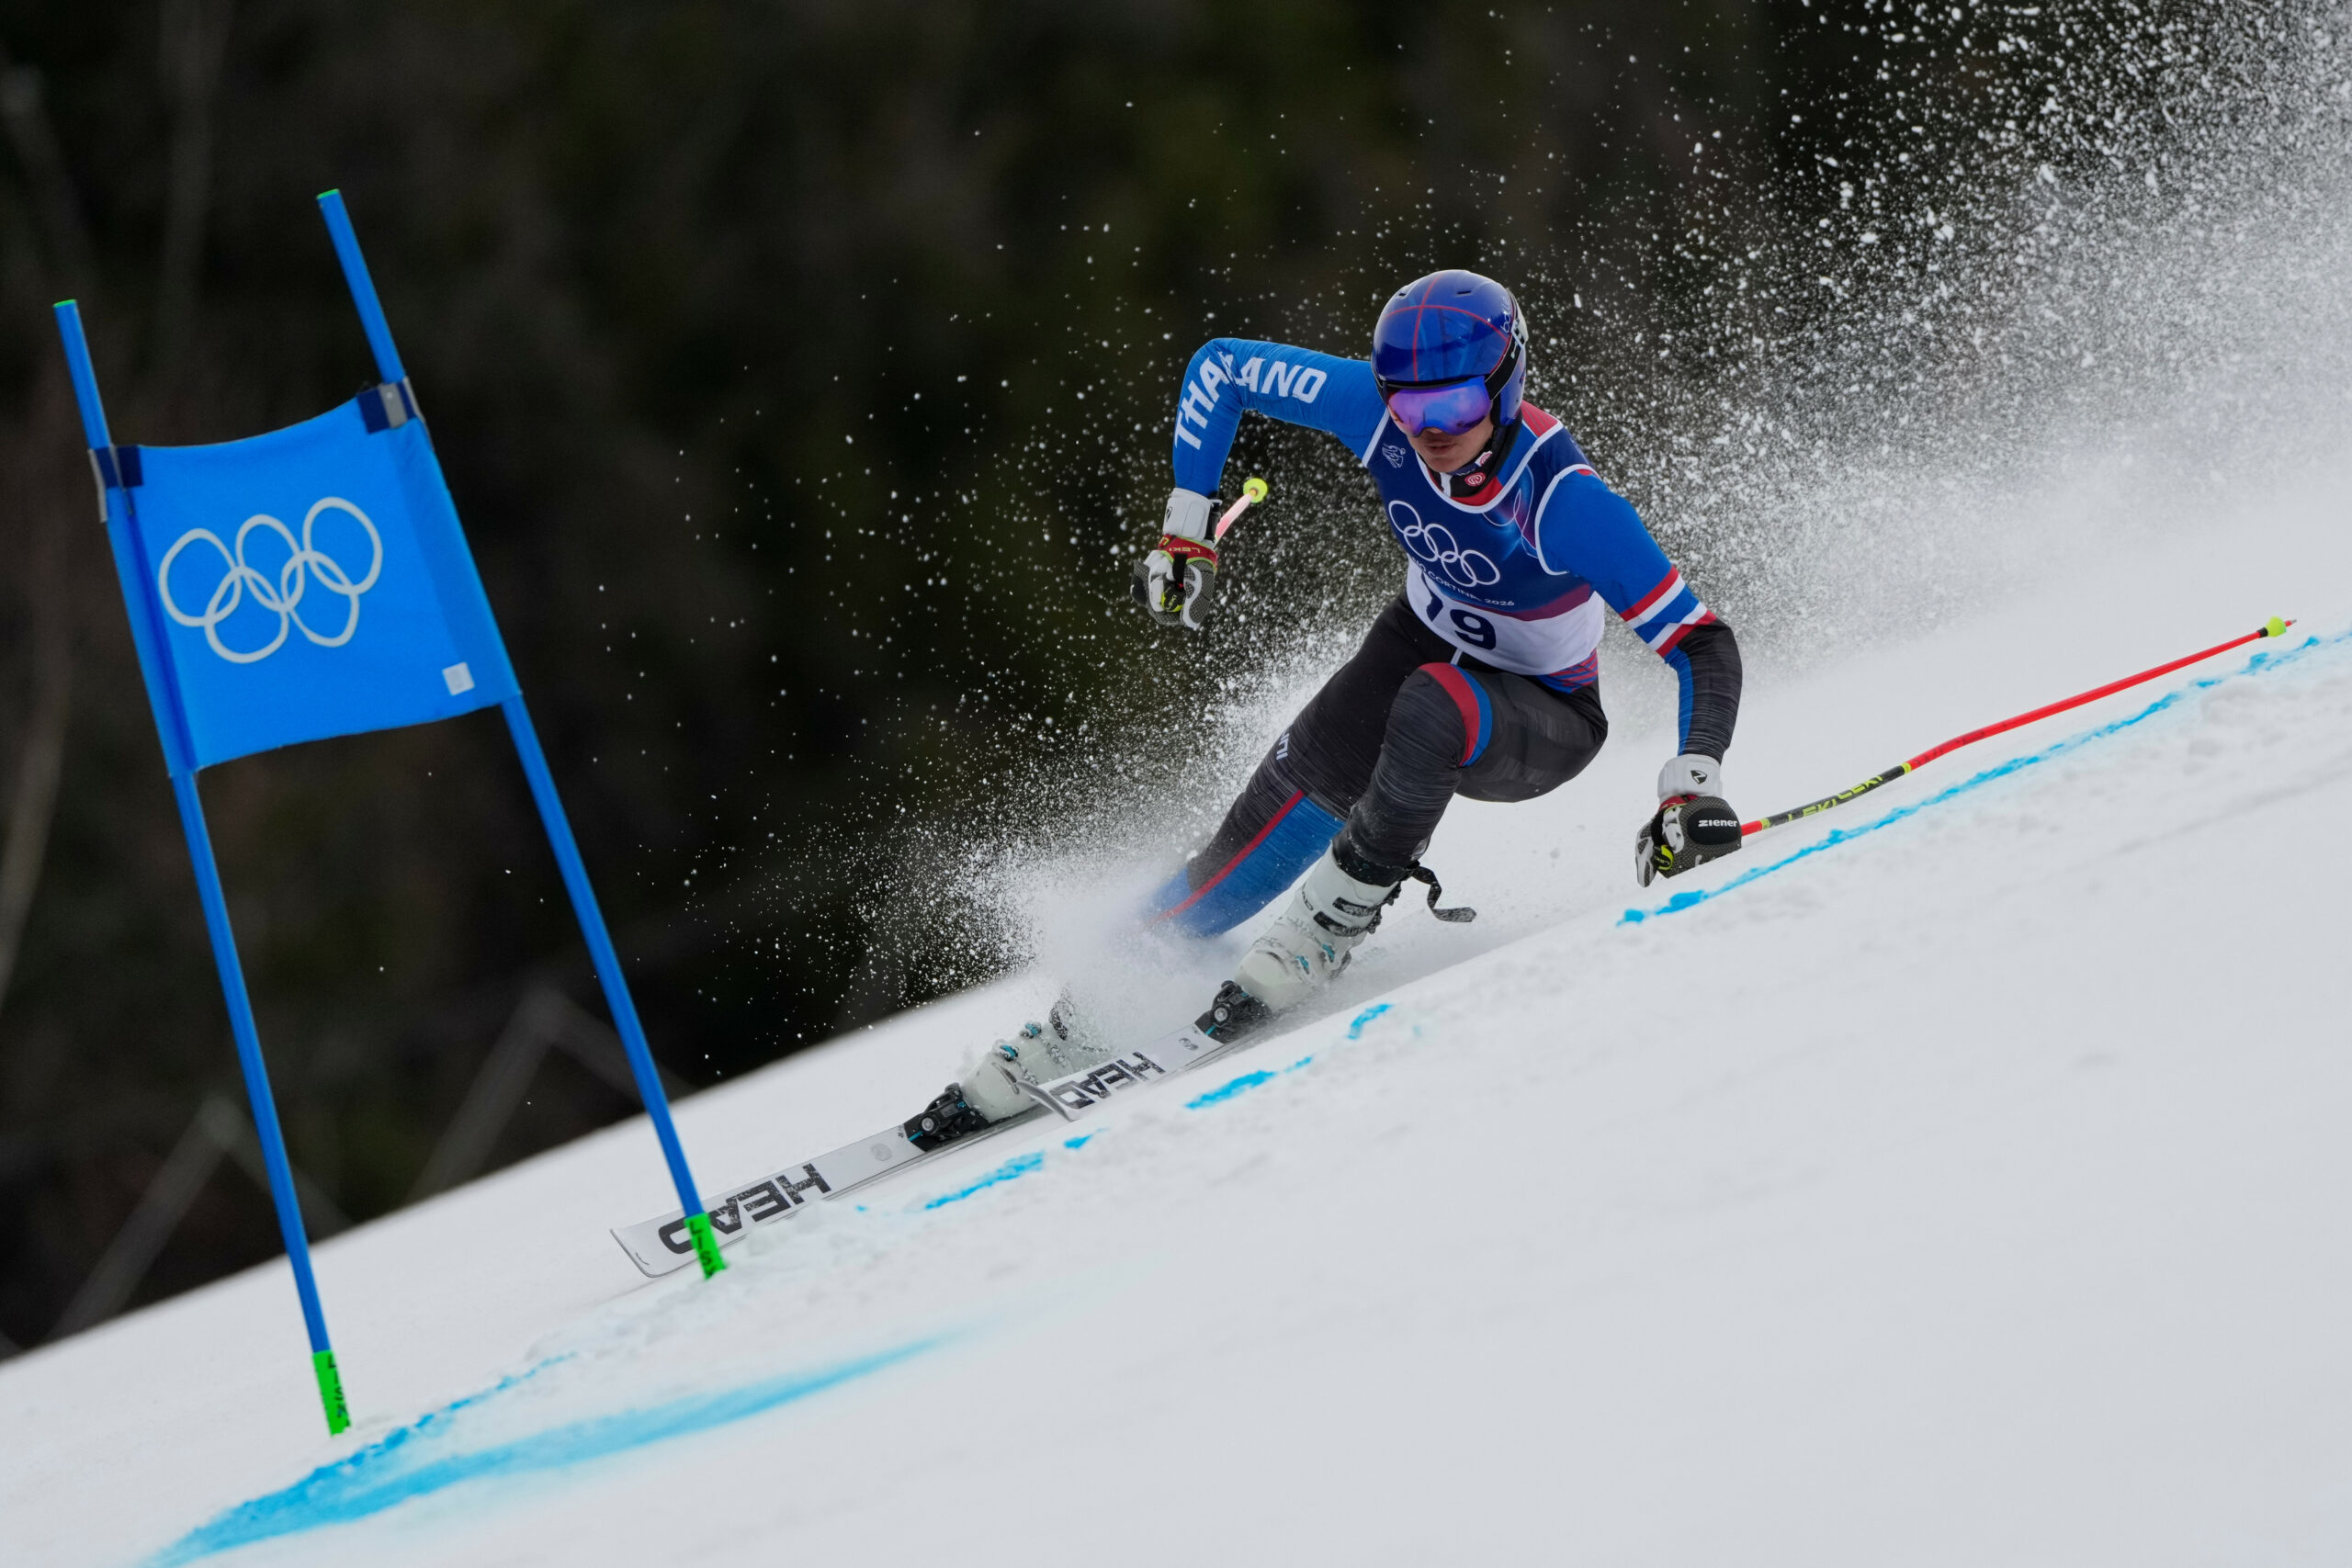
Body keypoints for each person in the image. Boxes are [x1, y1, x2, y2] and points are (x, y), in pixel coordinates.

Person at [922, 269, 1747, 1134]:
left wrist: (1690, 784)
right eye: (1409, 406)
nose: (1431, 430)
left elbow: (1700, 640)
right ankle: (1074, 1025)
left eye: (1457, 404)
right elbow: (1220, 367)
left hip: (1544, 714)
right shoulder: (1374, 412)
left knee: (1433, 703)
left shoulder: (1562, 498)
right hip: (1414, 648)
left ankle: (1333, 917)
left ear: (1506, 387)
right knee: (1222, 877)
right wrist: (1185, 526)